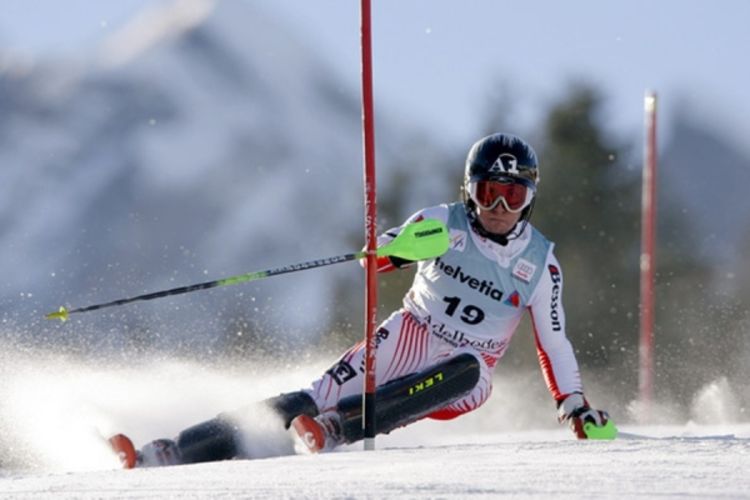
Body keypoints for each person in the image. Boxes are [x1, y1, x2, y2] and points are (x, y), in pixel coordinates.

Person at [111, 133, 612, 468]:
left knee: (469, 373)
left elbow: (554, 341)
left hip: (468, 366)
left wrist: (574, 407)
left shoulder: (540, 262)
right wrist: (392, 252)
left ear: (530, 197)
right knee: (307, 397)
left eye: (513, 196)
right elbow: (372, 260)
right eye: (487, 193)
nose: (499, 208)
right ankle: (171, 452)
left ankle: (338, 429)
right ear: (469, 191)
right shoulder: (441, 220)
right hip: (409, 333)